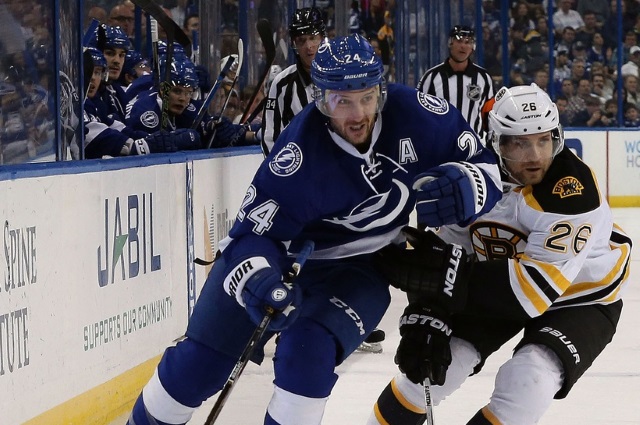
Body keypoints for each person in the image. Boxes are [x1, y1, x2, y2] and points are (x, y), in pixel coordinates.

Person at [125, 33, 502, 425]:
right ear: (321, 99)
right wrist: (256, 277)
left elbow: (486, 163)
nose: (357, 114)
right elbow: (252, 235)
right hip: (282, 259)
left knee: (308, 355)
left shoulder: (421, 115)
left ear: (381, 90)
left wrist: (472, 183)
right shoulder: (298, 154)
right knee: (196, 366)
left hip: (360, 268)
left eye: (366, 97)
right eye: (342, 101)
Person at [367, 84, 632, 425]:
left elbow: (531, 292)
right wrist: (427, 311)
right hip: (499, 281)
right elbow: (445, 252)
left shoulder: (572, 192)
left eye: (543, 140)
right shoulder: (474, 178)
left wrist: (444, 285)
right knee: (428, 374)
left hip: (581, 296)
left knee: (529, 379)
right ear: (497, 143)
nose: (535, 155)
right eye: (520, 143)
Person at [260, 6, 327, 155]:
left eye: (313, 38)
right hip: (298, 173)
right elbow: (270, 137)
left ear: (322, 38)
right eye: (301, 40)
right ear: (294, 44)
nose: (308, 46)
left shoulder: (342, 77)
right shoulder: (282, 84)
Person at [416, 25, 495, 143]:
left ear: (473, 47)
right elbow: (419, 113)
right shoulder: (431, 77)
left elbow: (490, 114)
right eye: (459, 40)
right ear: (450, 43)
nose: (463, 46)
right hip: (440, 147)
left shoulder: (484, 78)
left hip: (474, 147)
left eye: (468, 42)